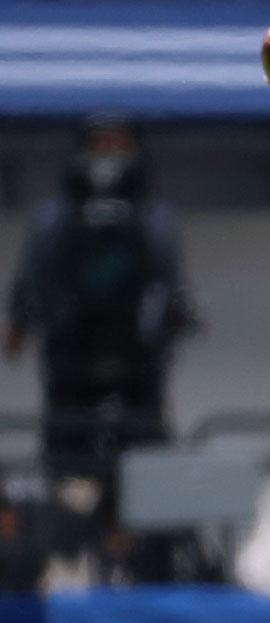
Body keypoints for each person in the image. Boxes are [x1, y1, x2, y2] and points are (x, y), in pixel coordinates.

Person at [2, 111, 201, 584]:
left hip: (139, 379)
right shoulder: (52, 221)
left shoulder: (155, 221)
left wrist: (178, 320)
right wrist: (19, 327)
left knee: (145, 484)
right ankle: (57, 568)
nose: (107, 155)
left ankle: (147, 563)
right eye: (99, 143)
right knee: (66, 482)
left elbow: (177, 294)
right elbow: (25, 294)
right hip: (70, 377)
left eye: (117, 143)